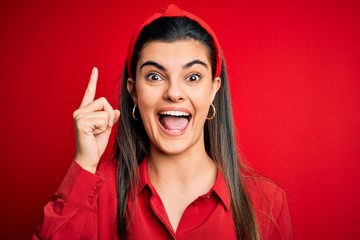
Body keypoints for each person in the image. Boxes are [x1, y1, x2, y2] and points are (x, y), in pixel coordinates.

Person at [32, 4, 293, 240]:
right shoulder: (96, 194)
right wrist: (85, 165)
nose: (174, 93)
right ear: (133, 90)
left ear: (214, 89)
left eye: (192, 77)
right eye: (155, 76)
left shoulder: (267, 202)